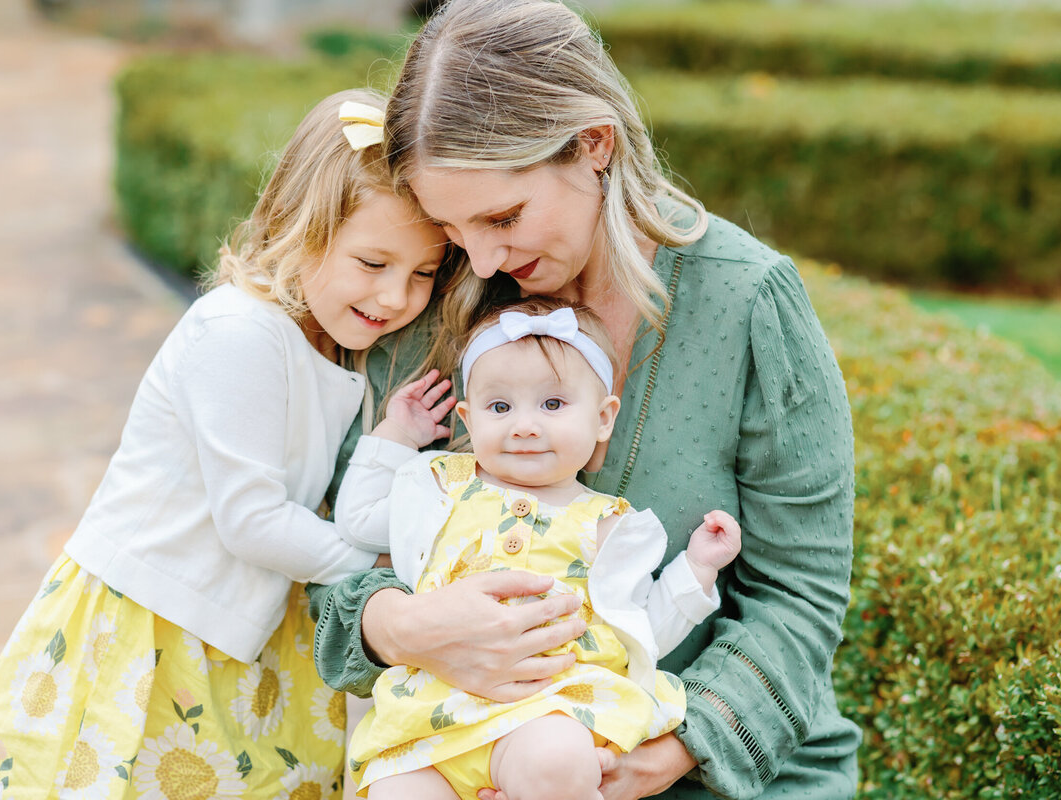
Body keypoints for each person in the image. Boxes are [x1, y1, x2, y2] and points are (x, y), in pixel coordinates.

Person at [308, 1, 863, 798]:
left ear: (593, 144)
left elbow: (799, 596)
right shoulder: (436, 288)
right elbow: (335, 545)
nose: (484, 255)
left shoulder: (746, 301)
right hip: (463, 760)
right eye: (453, 227)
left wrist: (667, 750)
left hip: (704, 772)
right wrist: (402, 627)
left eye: (504, 215)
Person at [0, 88, 451, 800]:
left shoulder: (339, 353)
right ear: (302, 228)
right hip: (156, 622)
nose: (398, 296)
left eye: (422, 273)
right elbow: (251, 519)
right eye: (373, 263)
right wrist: (381, 575)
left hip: (248, 629)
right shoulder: (237, 331)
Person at [335, 299, 742, 800]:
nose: (524, 425)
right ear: (468, 418)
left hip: (548, 707)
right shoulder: (440, 486)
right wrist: (399, 433)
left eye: (552, 405)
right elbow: (357, 520)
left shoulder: (610, 524)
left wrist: (696, 570)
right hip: (432, 717)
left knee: (557, 761)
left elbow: (641, 631)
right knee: (395, 792)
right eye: (500, 407)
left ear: (602, 418)